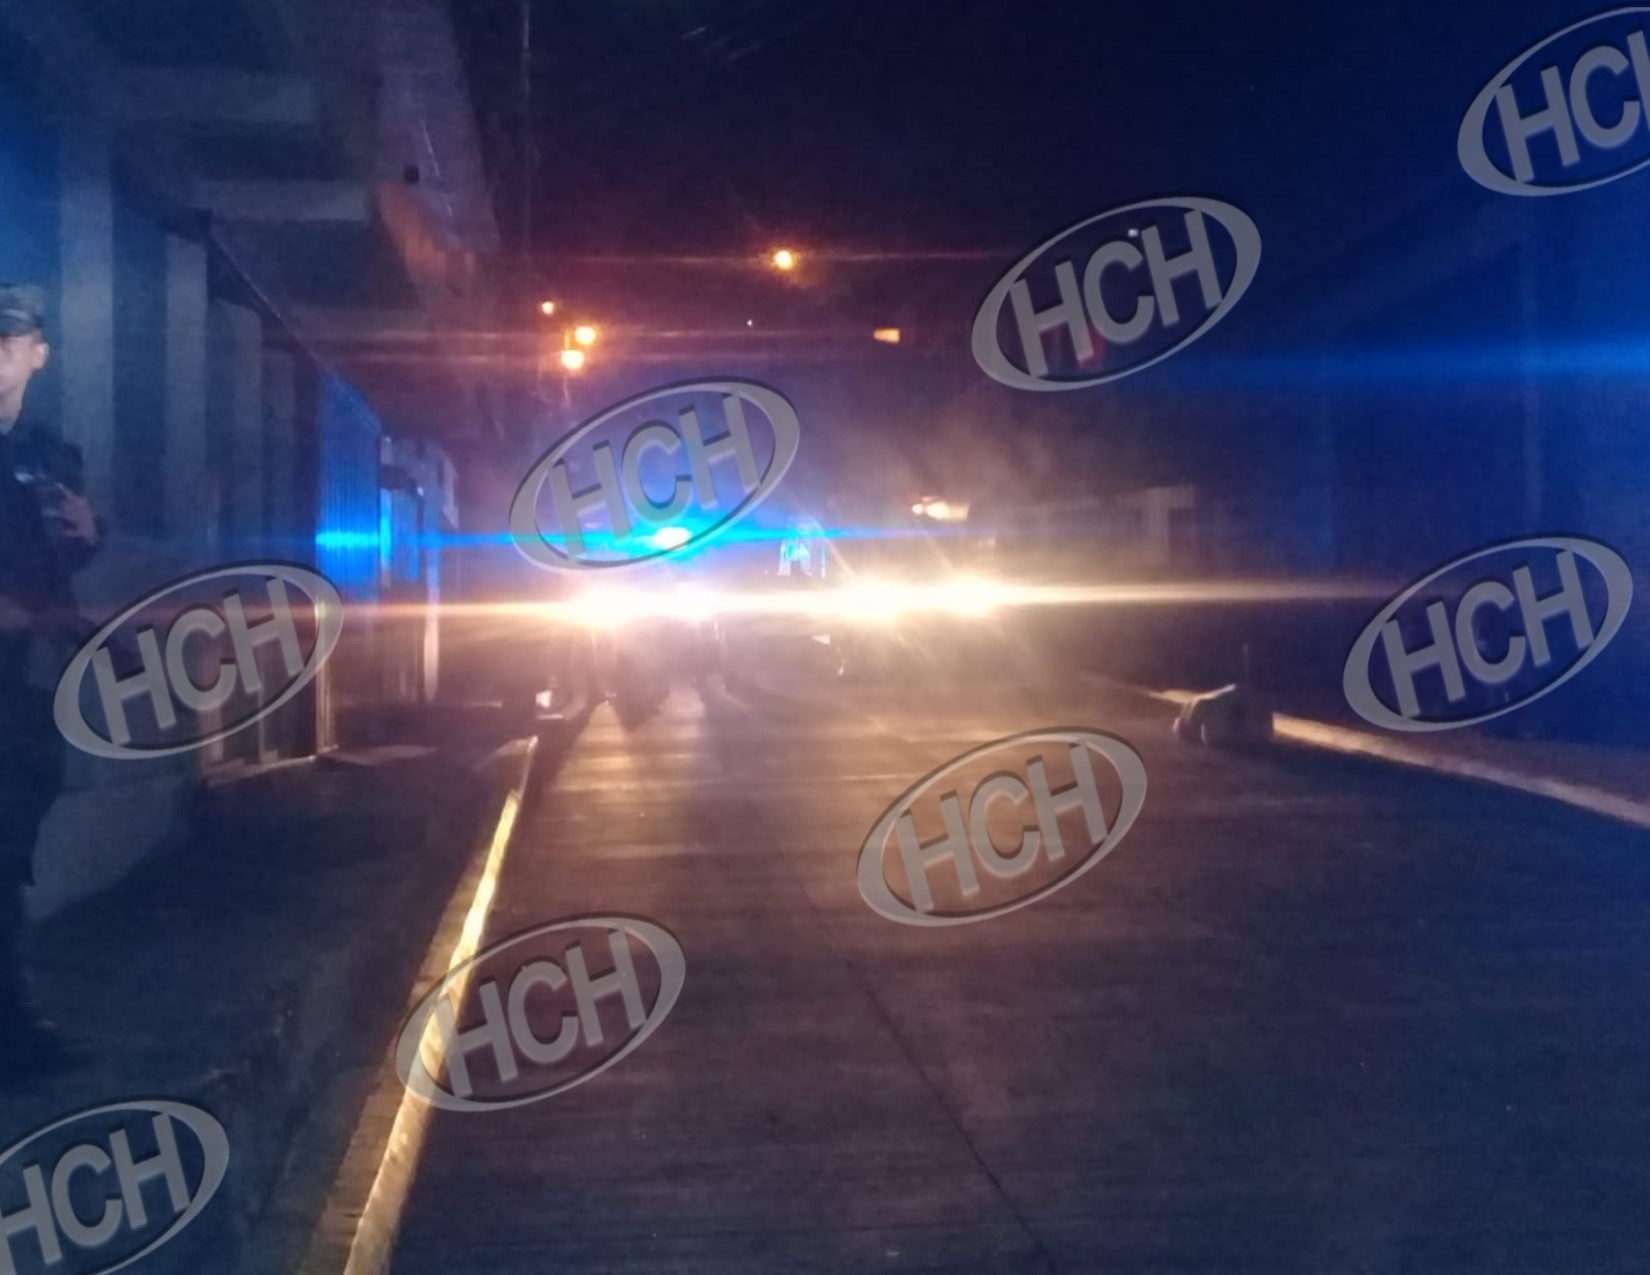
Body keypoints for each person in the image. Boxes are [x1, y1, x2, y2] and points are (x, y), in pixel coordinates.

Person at [0, 284, 101, 1079]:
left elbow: (61, 549)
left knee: (10, 851)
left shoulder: (47, 454)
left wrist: (91, 535)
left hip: (22, 687)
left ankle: (14, 1023)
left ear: (38, 353)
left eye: (8, 342)